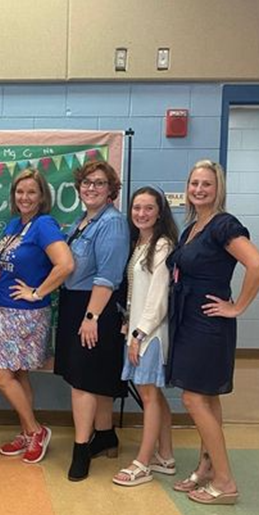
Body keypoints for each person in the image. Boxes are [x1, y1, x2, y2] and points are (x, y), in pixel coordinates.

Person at [167, 159, 259, 505]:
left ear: (218, 188)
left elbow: (258, 265)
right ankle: (206, 466)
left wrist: (237, 306)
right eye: (194, 183)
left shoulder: (224, 225)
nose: (198, 190)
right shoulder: (193, 226)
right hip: (188, 318)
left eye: (206, 184)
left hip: (209, 323)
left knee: (193, 398)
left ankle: (225, 482)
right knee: (207, 397)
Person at [0, 168, 73, 463]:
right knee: (17, 373)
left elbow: (65, 265)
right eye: (20, 192)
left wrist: (36, 292)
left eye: (31, 192)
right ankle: (27, 432)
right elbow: (3, 263)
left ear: (42, 197)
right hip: (3, 310)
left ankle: (36, 431)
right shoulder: (14, 224)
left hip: (24, 313)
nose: (24, 197)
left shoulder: (44, 224)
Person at [54, 159, 130, 482]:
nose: (91, 188)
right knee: (95, 377)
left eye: (99, 183)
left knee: (83, 380)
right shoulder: (82, 221)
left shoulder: (112, 223)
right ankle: (106, 435)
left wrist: (91, 316)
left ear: (111, 189)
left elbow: (108, 277)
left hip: (94, 306)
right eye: (86, 183)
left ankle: (81, 449)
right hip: (76, 304)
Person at [113, 187, 178, 487]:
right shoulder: (140, 243)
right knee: (154, 395)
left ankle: (143, 463)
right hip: (137, 331)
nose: (141, 213)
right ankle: (165, 455)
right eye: (136, 208)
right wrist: (129, 323)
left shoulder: (163, 245)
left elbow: (158, 298)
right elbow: (136, 293)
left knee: (148, 395)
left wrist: (139, 333)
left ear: (160, 212)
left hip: (150, 335)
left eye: (148, 208)